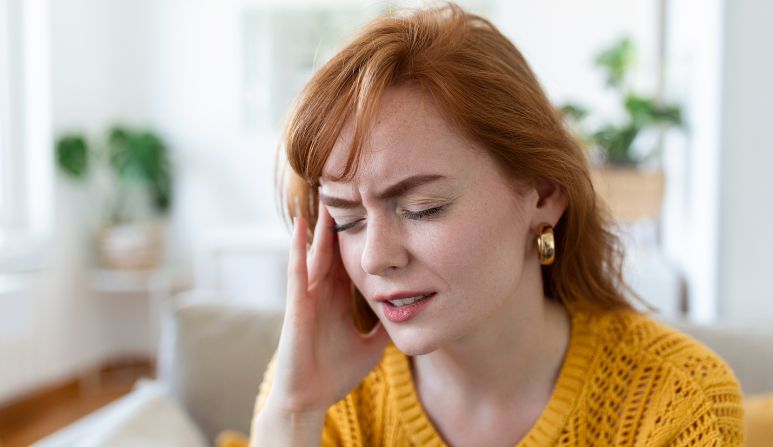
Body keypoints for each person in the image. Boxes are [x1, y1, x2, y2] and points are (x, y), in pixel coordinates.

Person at [246, 4, 744, 446]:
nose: (375, 257)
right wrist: (293, 416)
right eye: (348, 219)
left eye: (423, 207)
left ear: (544, 195)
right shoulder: (316, 394)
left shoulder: (677, 402)